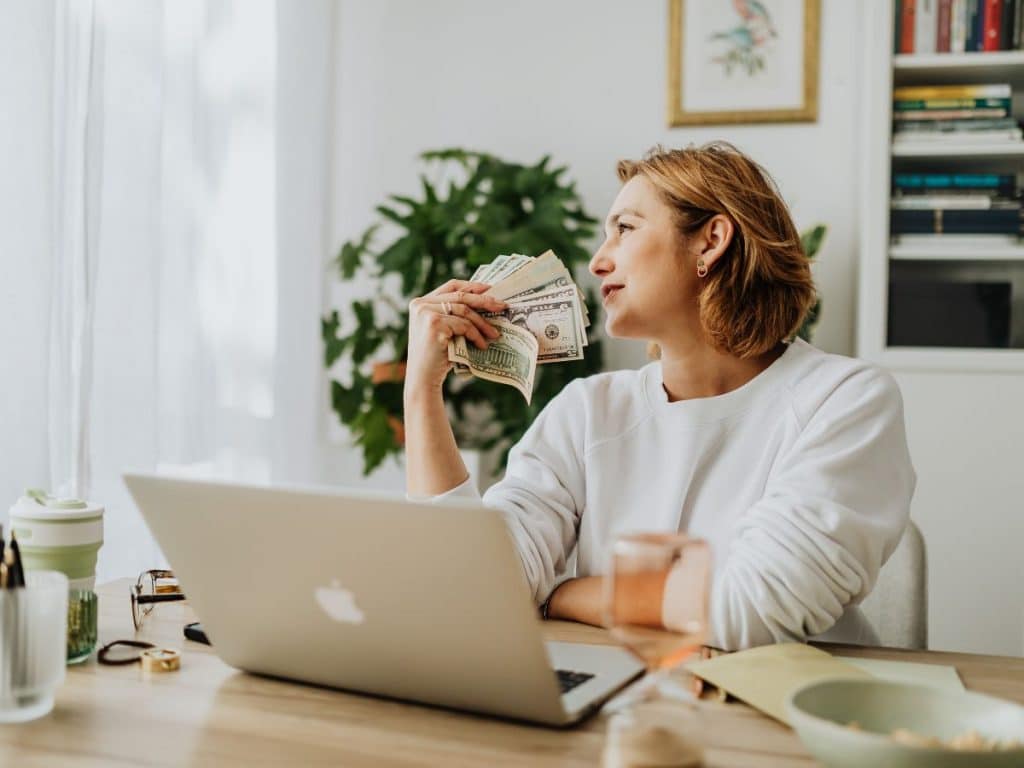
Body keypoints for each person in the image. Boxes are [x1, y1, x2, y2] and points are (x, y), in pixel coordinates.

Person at [402, 142, 915, 651]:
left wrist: (566, 594)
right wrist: (421, 390)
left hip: (790, 716)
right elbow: (476, 586)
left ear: (710, 241)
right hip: (625, 706)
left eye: (624, 229)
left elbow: (750, 613)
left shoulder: (845, 400)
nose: (598, 261)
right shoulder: (588, 411)